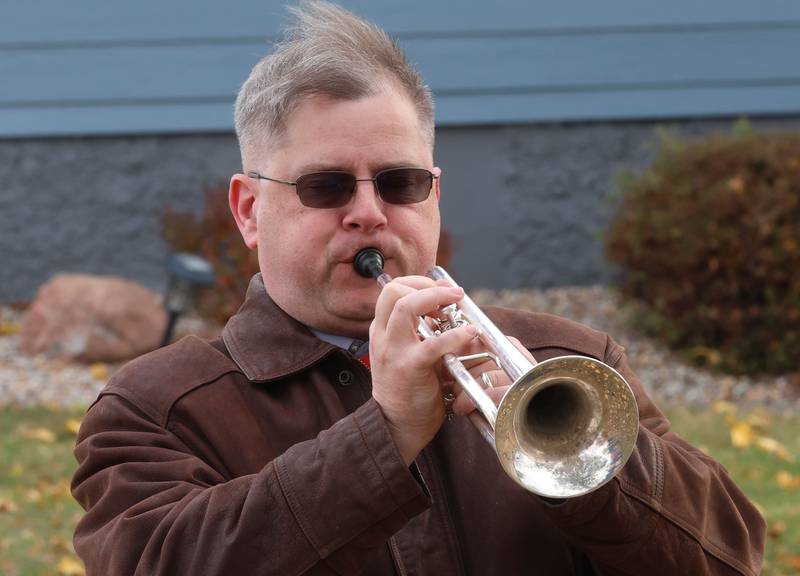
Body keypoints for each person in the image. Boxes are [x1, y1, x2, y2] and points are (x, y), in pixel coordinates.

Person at [71, 2, 765, 574]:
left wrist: (583, 466)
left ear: (434, 197)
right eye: (327, 186)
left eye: (401, 183)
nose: (370, 211)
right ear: (250, 210)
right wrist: (386, 433)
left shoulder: (571, 359)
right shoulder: (156, 408)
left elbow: (731, 557)